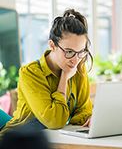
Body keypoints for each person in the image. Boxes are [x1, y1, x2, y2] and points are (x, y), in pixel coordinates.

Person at [0, 8, 93, 136]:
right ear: (52, 45)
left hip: (56, 138)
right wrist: (64, 78)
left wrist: (87, 119)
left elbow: (84, 111)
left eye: (81, 52)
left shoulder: (78, 68)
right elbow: (55, 120)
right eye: (69, 52)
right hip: (18, 140)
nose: (76, 60)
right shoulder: (30, 73)